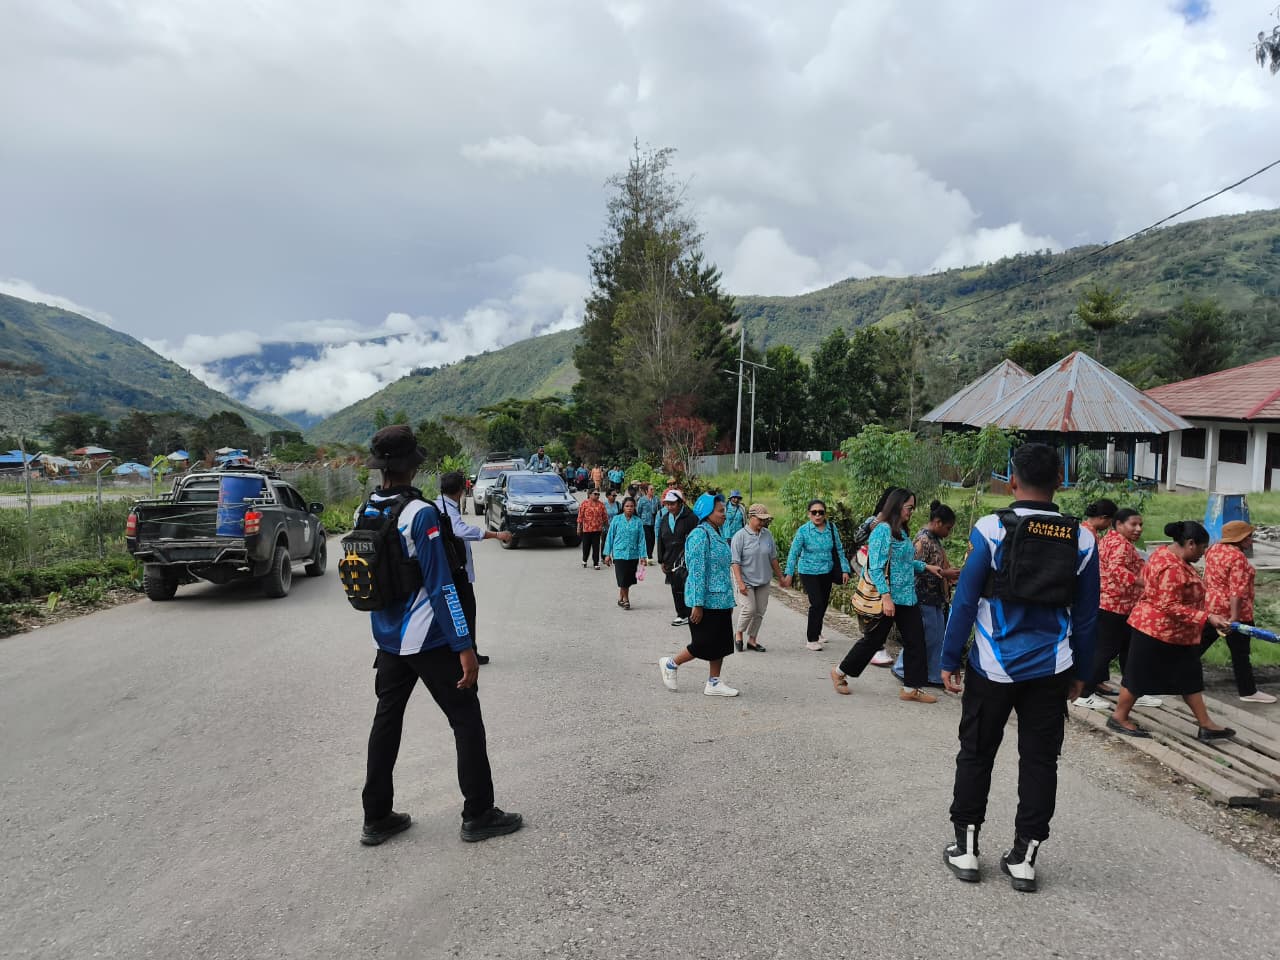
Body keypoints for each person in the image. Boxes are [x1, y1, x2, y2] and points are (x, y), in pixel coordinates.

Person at [940, 442, 1098, 893]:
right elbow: (1088, 616)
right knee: (1040, 761)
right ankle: (1024, 859)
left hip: (993, 665)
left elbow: (966, 600)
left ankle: (967, 850)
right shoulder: (1082, 538)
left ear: (1012, 480)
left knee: (976, 753)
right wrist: (1083, 671)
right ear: (1061, 482)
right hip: (1052, 668)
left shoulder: (990, 528)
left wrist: (950, 658)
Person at [356, 425, 521, 847]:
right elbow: (442, 584)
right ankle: (479, 813)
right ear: (413, 465)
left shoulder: (366, 510)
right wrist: (464, 645)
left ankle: (376, 816)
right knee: (466, 719)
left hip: (387, 641)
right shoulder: (421, 514)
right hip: (428, 639)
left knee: (386, 723)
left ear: (380, 468)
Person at [1110, 521, 1235, 741]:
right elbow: (1168, 605)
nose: (1204, 554)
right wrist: (1207, 617)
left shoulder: (1163, 554)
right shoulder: (1172, 568)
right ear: (1190, 543)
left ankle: (1206, 725)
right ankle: (1119, 717)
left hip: (1177, 633)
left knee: (1190, 677)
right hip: (1155, 631)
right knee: (1138, 677)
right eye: (1202, 548)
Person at [830, 488, 946, 702]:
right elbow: (875, 567)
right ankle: (839, 672)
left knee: (915, 641)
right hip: (889, 598)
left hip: (907, 597)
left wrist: (925, 567)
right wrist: (886, 597)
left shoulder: (901, 531)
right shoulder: (882, 531)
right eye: (909, 508)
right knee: (873, 641)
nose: (911, 512)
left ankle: (911, 688)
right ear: (897, 506)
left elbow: (903, 561)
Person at [1074, 508, 1159, 709]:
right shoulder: (1120, 544)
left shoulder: (1113, 540)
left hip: (1119, 605)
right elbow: (1116, 570)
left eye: (1140, 525)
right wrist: (1143, 584)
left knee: (1128, 650)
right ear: (1119, 525)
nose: (1138, 529)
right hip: (1114, 606)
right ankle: (1083, 693)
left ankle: (1133, 690)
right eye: (1133, 524)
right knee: (1106, 650)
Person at [659, 494, 740, 697]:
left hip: (721, 599)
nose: (725, 514)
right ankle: (671, 663)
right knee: (702, 643)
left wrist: (729, 599)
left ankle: (714, 682)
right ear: (707, 513)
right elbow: (696, 572)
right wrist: (697, 604)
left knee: (721, 643)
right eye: (720, 511)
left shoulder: (718, 533)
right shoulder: (699, 535)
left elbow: (722, 569)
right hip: (705, 601)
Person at [436, 471, 513, 666]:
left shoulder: (437, 504)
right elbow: (459, 530)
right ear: (462, 490)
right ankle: (470, 653)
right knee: (466, 612)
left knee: (454, 612)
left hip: (445, 569)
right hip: (456, 571)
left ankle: (458, 651)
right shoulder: (446, 509)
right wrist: (496, 535)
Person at [1202, 520, 1274, 703]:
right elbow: (1237, 591)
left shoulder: (1213, 550)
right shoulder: (1237, 558)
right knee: (1241, 654)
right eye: (1248, 536)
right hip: (1236, 612)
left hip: (1211, 608)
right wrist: (1234, 619)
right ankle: (1248, 691)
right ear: (1240, 538)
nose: (1251, 540)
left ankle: (1171, 679)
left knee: (1196, 647)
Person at [892, 500, 959, 687]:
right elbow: (909, 566)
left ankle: (932, 674)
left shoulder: (935, 540)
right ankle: (901, 668)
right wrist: (945, 573)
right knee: (924, 636)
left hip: (935, 597)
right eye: (948, 528)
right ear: (937, 522)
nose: (949, 532)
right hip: (922, 596)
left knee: (937, 637)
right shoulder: (922, 541)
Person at [781, 499, 850, 651]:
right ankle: (811, 639)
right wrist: (789, 574)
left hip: (827, 570)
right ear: (809, 514)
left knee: (824, 603)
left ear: (825, 514)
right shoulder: (804, 531)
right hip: (808, 572)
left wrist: (845, 569)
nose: (818, 515)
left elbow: (839, 550)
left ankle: (818, 632)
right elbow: (794, 553)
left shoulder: (831, 528)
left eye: (821, 512)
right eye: (814, 512)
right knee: (817, 603)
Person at [853, 487, 902, 668]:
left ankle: (875, 645)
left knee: (882, 606)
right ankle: (873, 644)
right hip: (868, 566)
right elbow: (857, 538)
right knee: (869, 602)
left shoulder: (898, 523)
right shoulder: (876, 520)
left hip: (889, 569)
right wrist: (869, 526)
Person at [731, 502, 783, 653]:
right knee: (749, 608)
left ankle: (752, 640)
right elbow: (735, 562)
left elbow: (773, 558)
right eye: (759, 519)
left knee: (760, 611)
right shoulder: (739, 536)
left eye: (764, 520)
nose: (762, 522)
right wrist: (740, 582)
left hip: (763, 579)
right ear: (751, 518)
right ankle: (739, 633)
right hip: (745, 579)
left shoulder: (768, 535)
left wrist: (780, 576)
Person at [656, 489, 699, 627]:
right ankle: (681, 613)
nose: (669, 507)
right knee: (675, 587)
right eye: (667, 504)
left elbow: (696, 538)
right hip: (670, 558)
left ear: (680, 503)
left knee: (687, 585)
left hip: (686, 558)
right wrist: (661, 559)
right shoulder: (664, 518)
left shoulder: (691, 518)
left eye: (672, 504)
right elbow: (660, 539)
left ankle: (689, 613)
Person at [603, 496, 648, 610]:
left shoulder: (638, 522)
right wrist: (607, 554)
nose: (629, 508)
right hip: (619, 554)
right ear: (623, 507)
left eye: (632, 506)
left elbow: (642, 539)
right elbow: (610, 537)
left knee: (628, 579)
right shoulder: (616, 520)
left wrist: (643, 556)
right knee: (622, 578)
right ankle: (626, 600)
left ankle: (620, 598)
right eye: (627, 506)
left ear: (634, 508)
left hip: (633, 555)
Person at [577, 489, 607, 570]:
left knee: (596, 547)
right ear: (589, 494)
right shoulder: (584, 504)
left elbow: (604, 517)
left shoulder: (601, 505)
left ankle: (596, 563)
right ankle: (584, 560)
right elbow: (580, 517)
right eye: (595, 494)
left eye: (598, 494)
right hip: (587, 529)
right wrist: (578, 528)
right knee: (586, 546)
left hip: (597, 529)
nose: (597, 495)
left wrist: (606, 526)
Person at [635, 484, 659, 559]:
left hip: (653, 522)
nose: (652, 491)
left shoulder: (656, 499)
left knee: (652, 539)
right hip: (645, 522)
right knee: (647, 538)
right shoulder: (642, 500)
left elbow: (660, 509)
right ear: (647, 491)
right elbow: (639, 511)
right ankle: (648, 555)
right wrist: (638, 521)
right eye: (651, 489)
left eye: (653, 489)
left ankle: (649, 553)